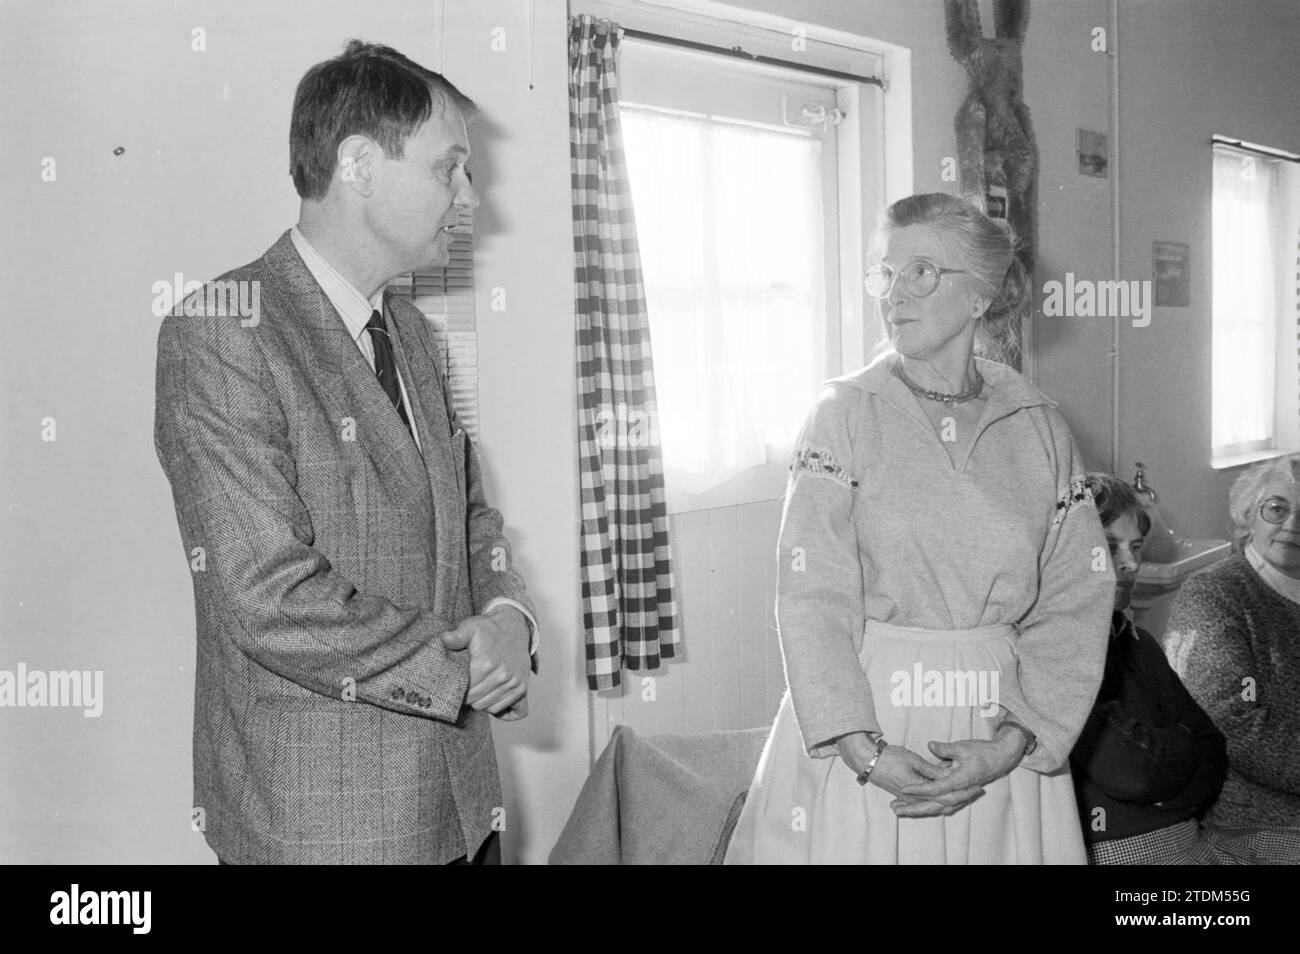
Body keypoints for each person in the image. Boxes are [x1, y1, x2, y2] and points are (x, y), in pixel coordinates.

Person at [153, 41, 538, 865]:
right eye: (450, 169)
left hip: (464, 810)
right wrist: (461, 671)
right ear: (359, 164)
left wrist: (511, 614)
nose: (470, 198)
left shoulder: (415, 337)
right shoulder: (222, 331)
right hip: (324, 829)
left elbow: (473, 518)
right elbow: (267, 594)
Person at [724, 193, 1114, 865]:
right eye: (887, 272)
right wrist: (861, 748)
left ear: (981, 296)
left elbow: (1077, 600)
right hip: (866, 719)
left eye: (922, 272)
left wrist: (1014, 740)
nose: (894, 294)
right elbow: (811, 594)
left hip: (998, 721)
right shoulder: (844, 414)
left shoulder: (1040, 425)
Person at [1070, 473, 1226, 864]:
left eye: (1136, 546)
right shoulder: (1059, 652)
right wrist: (1180, 749)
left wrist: (1163, 781)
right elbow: (1133, 772)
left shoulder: (1139, 644)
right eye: (1110, 546)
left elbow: (1214, 753)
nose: (1130, 562)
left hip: (1185, 841)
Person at [1165, 453, 1300, 863]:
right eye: (1277, 508)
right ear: (1249, 515)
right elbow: (1235, 728)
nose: (1292, 526)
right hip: (1259, 823)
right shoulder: (1215, 594)